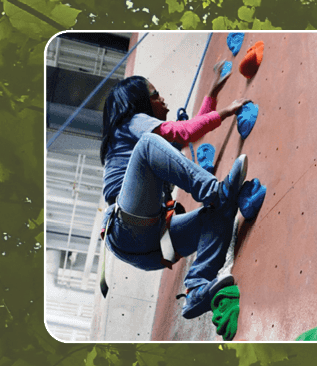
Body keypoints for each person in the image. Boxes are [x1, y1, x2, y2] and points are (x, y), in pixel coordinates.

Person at [100, 68, 263, 319]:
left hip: (148, 245)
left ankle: (197, 288)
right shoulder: (132, 122)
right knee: (148, 146)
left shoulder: (150, 142)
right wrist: (228, 110)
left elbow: (185, 135)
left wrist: (211, 96)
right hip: (126, 227)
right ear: (139, 104)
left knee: (217, 215)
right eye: (155, 95)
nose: (162, 100)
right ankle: (215, 192)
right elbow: (183, 132)